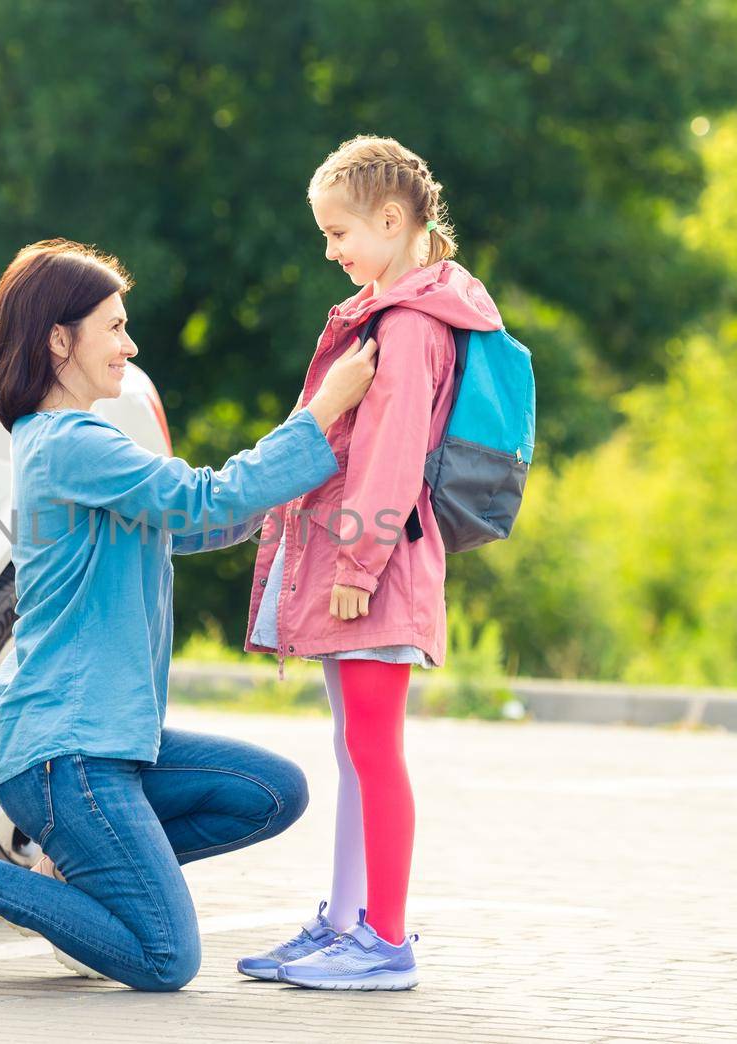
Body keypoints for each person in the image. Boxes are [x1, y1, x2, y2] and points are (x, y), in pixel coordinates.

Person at [0, 238, 381, 990]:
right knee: (164, 956)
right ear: (58, 340)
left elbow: (206, 521)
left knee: (272, 791)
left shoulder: (80, 445)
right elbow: (207, 497)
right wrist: (321, 410)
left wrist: (308, 466)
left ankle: (76, 876)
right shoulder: (68, 443)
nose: (129, 344)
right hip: (63, 753)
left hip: (108, 742)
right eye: (113, 326)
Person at [236, 135, 506, 991]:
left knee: (374, 750)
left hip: (377, 573)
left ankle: (383, 940)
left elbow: (389, 457)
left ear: (392, 221)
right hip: (368, 568)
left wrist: (355, 569)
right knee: (357, 748)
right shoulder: (394, 312)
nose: (331, 251)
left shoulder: (413, 324)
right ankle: (346, 922)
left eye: (338, 232)